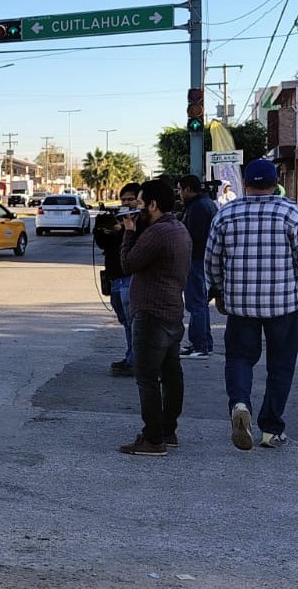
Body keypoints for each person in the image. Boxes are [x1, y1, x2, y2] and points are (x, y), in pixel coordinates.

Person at [206, 159, 298, 451]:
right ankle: (271, 429)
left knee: (238, 359)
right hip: (282, 306)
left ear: (245, 183)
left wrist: (218, 291)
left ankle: (239, 404)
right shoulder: (292, 213)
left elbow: (212, 260)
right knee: (280, 367)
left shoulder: (226, 214)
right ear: (276, 184)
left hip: (240, 305)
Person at [116, 179, 191, 456]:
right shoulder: (178, 228)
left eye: (139, 203)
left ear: (153, 205)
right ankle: (167, 430)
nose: (135, 208)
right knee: (172, 375)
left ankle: (153, 439)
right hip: (172, 311)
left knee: (147, 378)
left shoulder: (156, 233)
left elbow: (128, 263)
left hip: (151, 314)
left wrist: (129, 232)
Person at [94, 182, 141, 377]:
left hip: (128, 278)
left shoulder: (141, 221)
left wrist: (124, 228)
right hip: (114, 278)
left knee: (133, 323)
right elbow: (105, 245)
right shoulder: (118, 220)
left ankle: (135, 361)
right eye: (124, 200)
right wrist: (101, 229)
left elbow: (135, 245)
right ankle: (131, 357)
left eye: (131, 199)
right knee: (125, 321)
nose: (127, 203)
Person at [177, 175, 218, 359]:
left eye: (179, 189)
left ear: (187, 189)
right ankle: (202, 343)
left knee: (196, 304)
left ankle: (200, 344)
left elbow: (195, 235)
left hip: (196, 260)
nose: (179, 194)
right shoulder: (205, 203)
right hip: (202, 259)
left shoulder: (198, 207)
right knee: (199, 303)